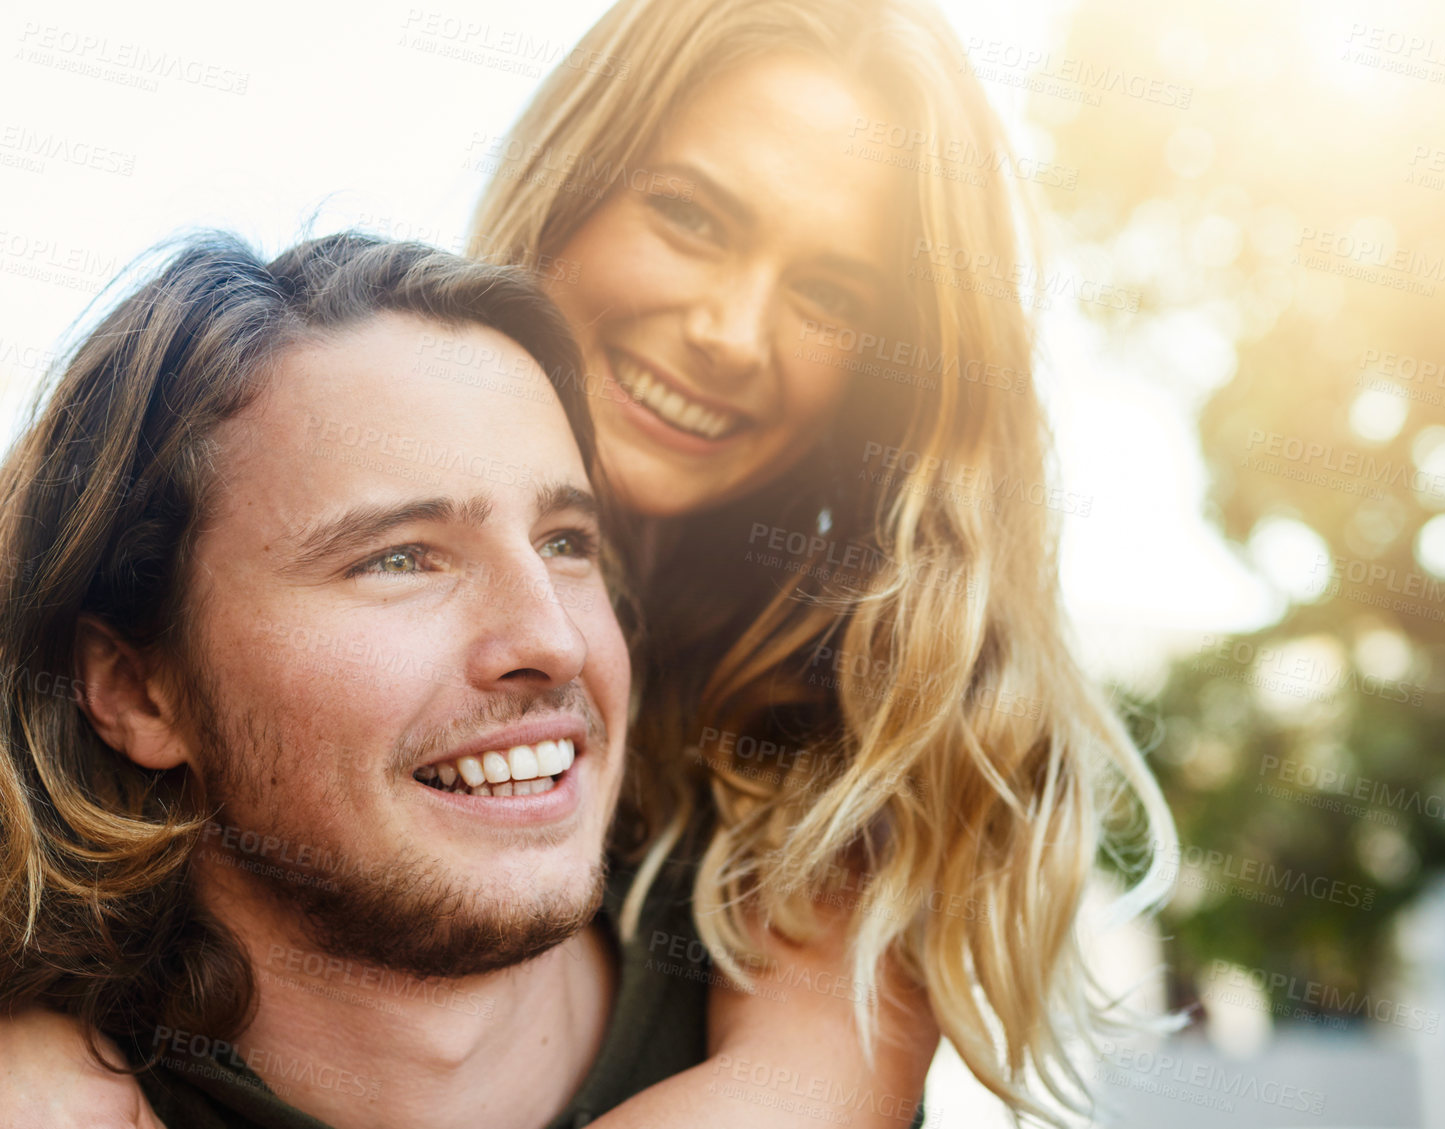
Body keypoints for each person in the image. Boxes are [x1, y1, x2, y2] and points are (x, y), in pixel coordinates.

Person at [2, 0, 1178, 1123]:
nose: (729, 330)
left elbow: (800, 1090)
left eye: (827, 291)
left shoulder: (838, 727)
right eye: (692, 218)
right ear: (571, 186)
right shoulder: (283, 401)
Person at [0, 233, 936, 1129]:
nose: (553, 640)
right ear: (136, 692)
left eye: (567, 542)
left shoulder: (807, 990)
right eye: (402, 557)